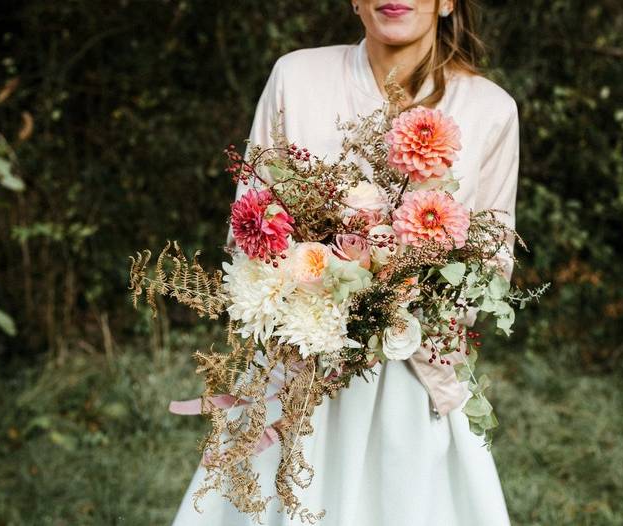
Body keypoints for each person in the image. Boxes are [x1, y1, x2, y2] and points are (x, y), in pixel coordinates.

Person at [173, 1, 518, 524]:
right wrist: (316, 287)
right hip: (298, 372)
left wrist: (392, 293)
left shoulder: (490, 109)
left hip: (413, 378)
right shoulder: (297, 76)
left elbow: (492, 266)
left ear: (448, 1)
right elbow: (248, 227)